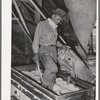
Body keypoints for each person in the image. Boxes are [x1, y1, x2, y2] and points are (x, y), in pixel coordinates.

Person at [32, 8, 66, 90]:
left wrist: (62, 45)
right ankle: (43, 86)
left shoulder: (55, 27)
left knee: (54, 72)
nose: (59, 21)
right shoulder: (42, 24)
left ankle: (51, 85)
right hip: (44, 50)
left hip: (53, 50)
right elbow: (36, 39)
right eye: (58, 19)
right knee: (52, 68)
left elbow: (53, 41)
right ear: (53, 15)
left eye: (60, 20)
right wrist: (36, 53)